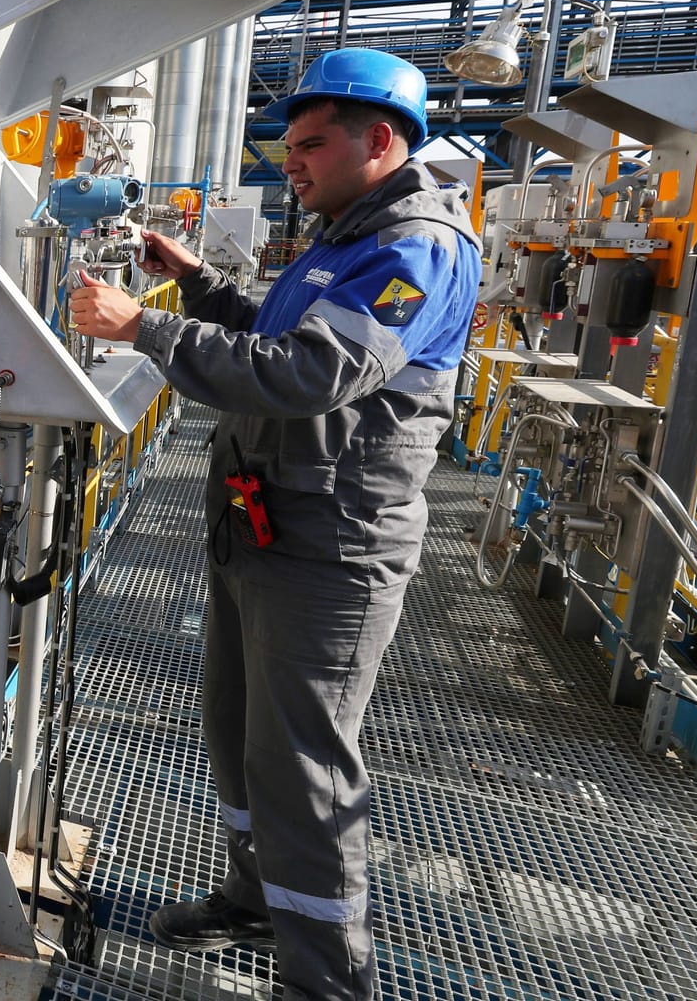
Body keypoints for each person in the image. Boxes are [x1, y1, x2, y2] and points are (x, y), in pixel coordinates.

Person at [69, 48, 481, 1000]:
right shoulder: (345, 233)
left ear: (380, 141)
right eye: (288, 145)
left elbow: (311, 375)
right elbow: (277, 333)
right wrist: (198, 285)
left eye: (309, 143)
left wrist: (146, 330)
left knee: (304, 767)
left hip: (331, 545)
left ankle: (328, 983)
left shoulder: (413, 246)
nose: (289, 161)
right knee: (241, 734)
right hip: (262, 528)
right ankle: (259, 899)